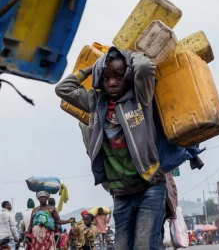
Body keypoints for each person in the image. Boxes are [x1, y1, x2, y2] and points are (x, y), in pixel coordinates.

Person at [55, 47, 168, 250]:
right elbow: (63, 89)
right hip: (121, 194)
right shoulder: (94, 102)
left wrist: (129, 55)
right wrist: (92, 68)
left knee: (144, 246)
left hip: (150, 187)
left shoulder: (140, 97)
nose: (112, 82)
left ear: (128, 76)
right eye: (106, 78)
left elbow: (143, 67)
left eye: (118, 76)